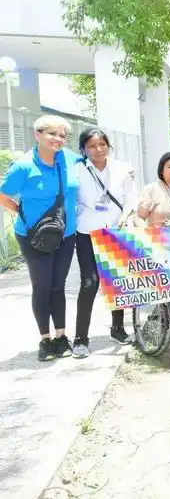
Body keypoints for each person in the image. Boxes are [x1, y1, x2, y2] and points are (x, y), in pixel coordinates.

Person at [0, 115, 81, 361]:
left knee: (58, 286)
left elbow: (95, 162)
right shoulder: (24, 165)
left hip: (66, 233)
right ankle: (45, 340)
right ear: (37, 134)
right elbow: (3, 194)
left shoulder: (70, 159)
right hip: (33, 236)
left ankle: (61, 336)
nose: (57, 139)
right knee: (42, 286)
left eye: (62, 135)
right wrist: (20, 211)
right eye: (51, 133)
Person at [74, 128, 138, 358]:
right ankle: (80, 338)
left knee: (116, 282)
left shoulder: (123, 169)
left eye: (102, 144)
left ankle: (118, 329)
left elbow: (132, 197)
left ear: (108, 146)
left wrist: (126, 216)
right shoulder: (77, 170)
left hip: (115, 233)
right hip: (87, 233)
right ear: (83, 149)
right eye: (92, 146)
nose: (98, 150)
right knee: (89, 284)